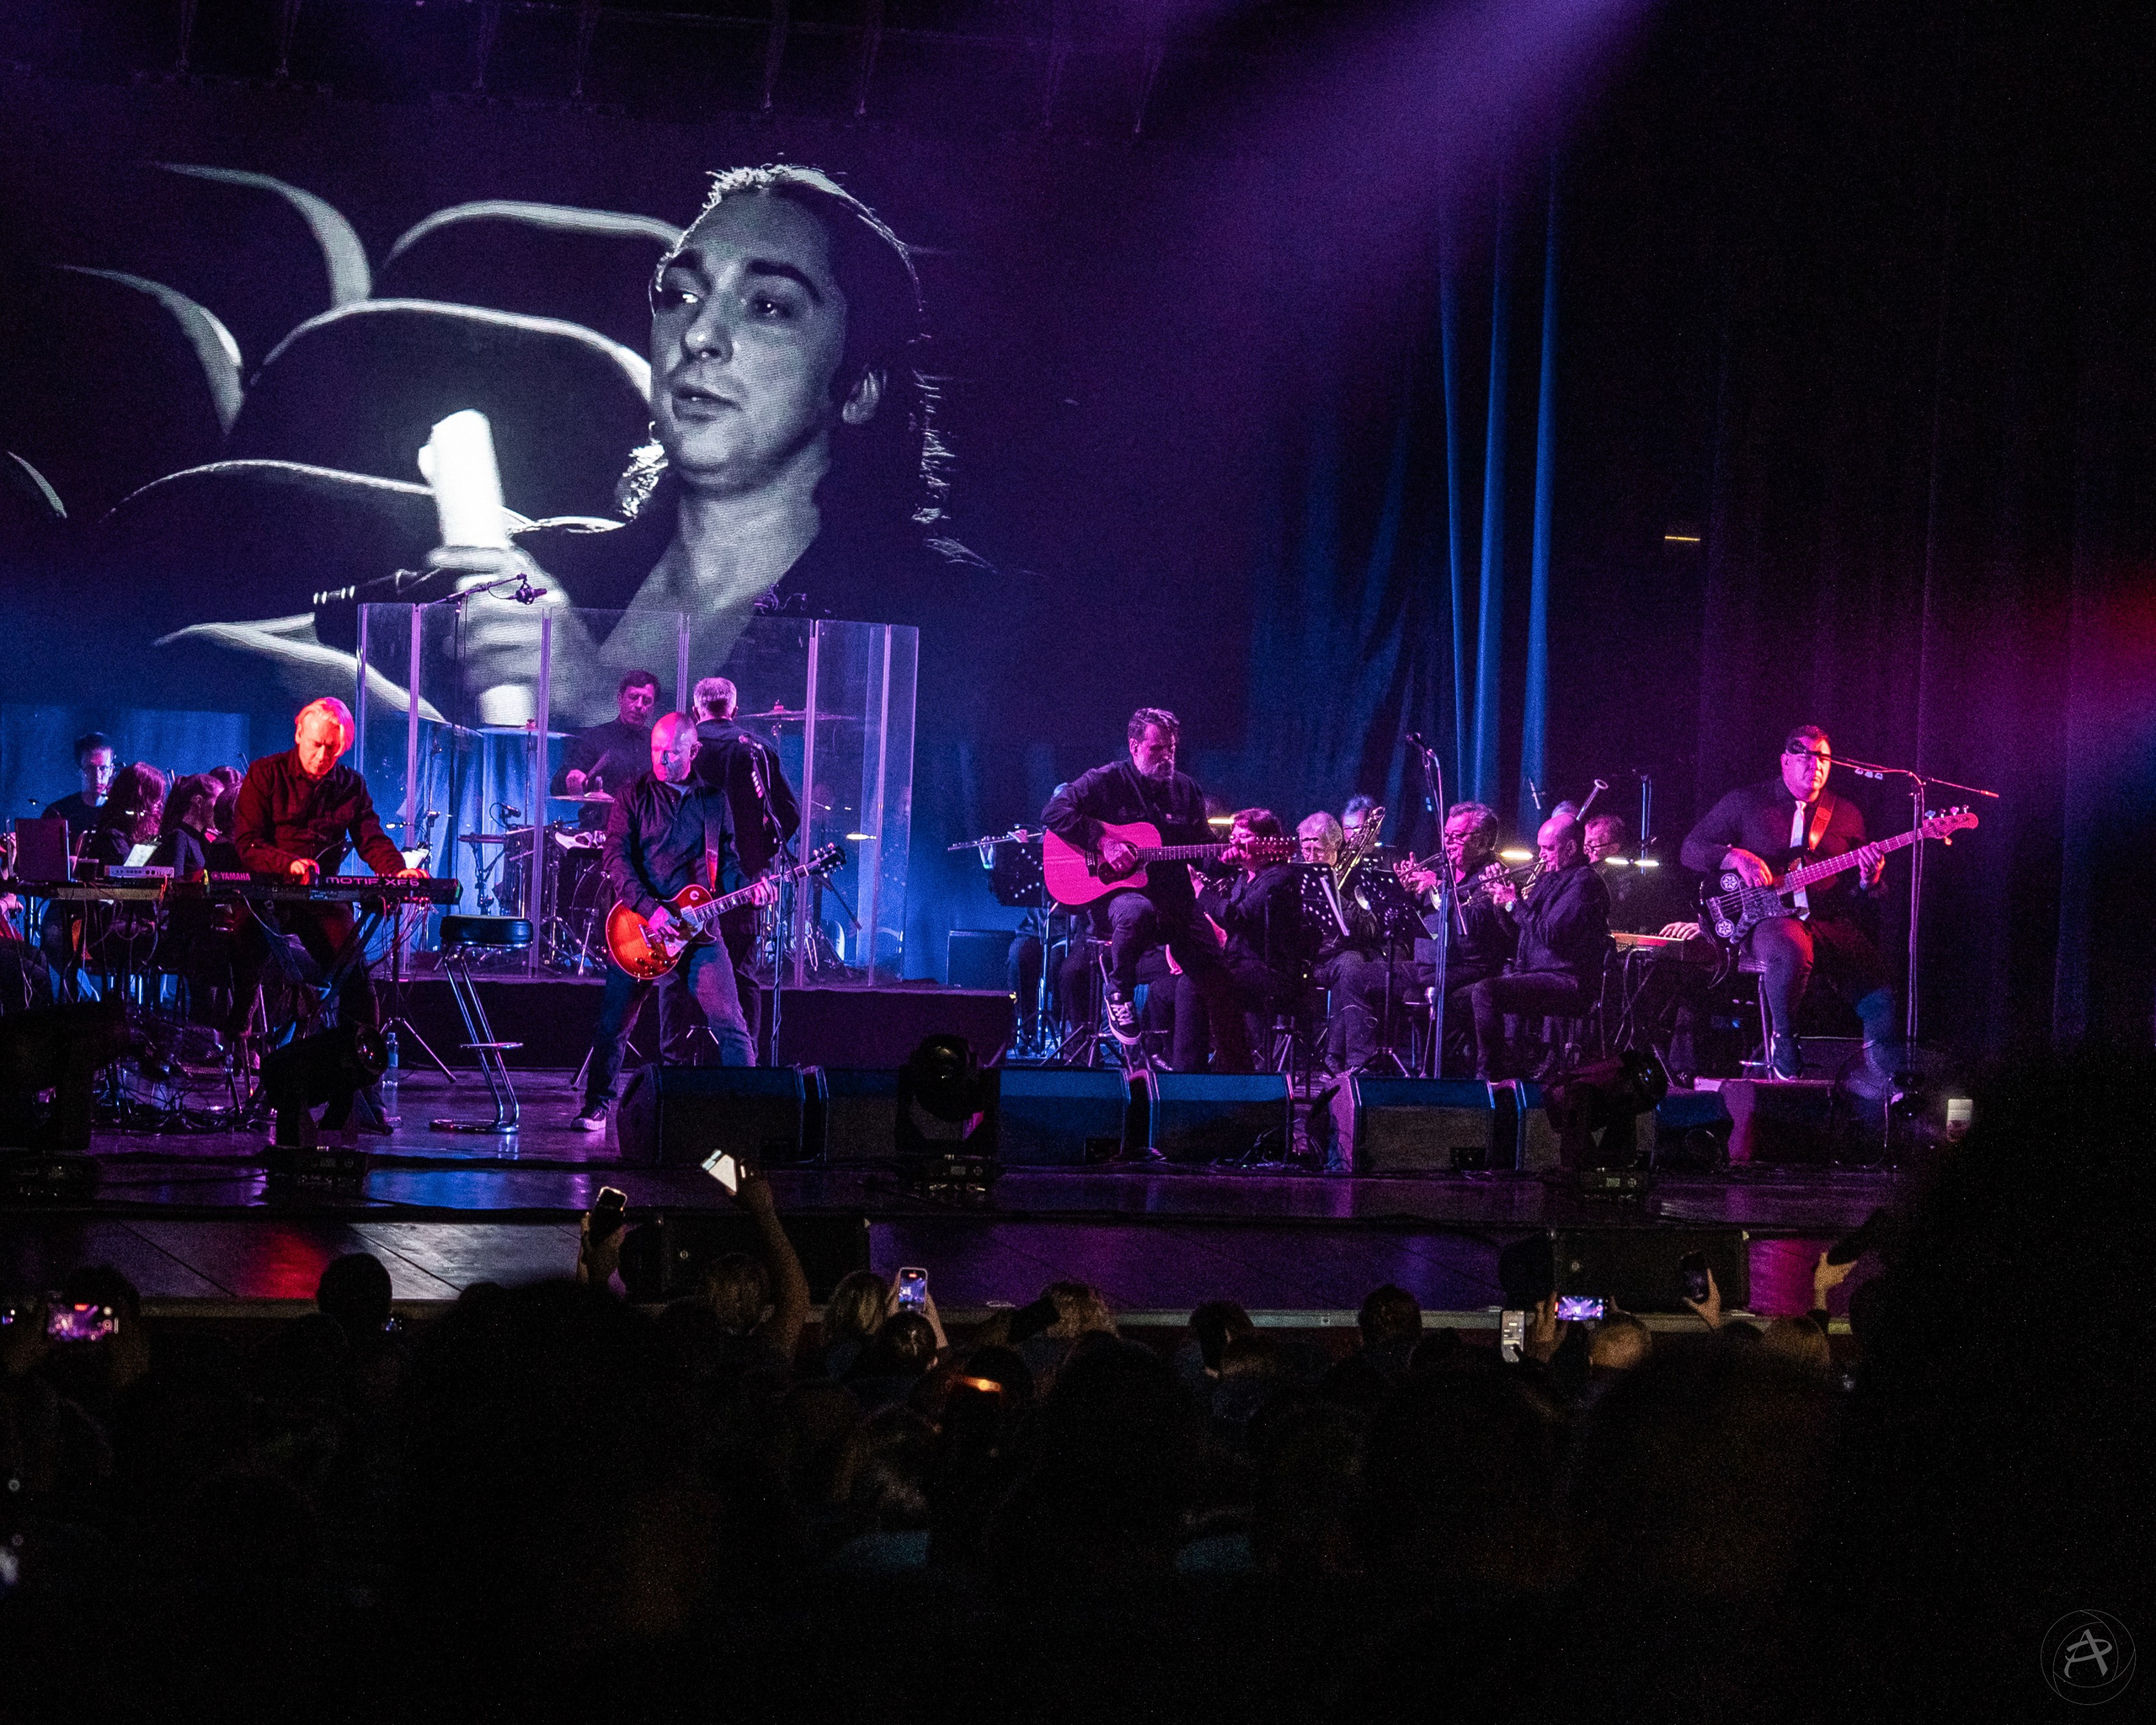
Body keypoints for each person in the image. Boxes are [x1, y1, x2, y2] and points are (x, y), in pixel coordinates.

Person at [572, 712, 778, 1130]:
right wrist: (651, 909)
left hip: (699, 931)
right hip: (639, 927)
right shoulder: (632, 795)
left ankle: (752, 1114)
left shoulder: (713, 801)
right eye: (656, 751)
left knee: (732, 1026)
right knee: (614, 1024)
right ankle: (597, 1105)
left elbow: (729, 866)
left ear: (694, 751)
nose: (661, 760)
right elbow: (615, 859)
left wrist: (752, 890)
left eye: (671, 753)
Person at [1680, 725, 1893, 1079]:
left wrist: (1869, 880)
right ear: (1784, 762)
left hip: (1825, 918)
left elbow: (1860, 894)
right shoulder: (1746, 801)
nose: (1816, 765)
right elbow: (1691, 849)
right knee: (1791, 949)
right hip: (1765, 919)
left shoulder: (1846, 814)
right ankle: (1783, 1041)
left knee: (1880, 991)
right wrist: (1736, 858)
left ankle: (1880, 1084)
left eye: (1823, 757)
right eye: (1805, 757)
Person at [1040, 708, 1248, 1069]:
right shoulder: (1105, 780)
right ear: (1134, 746)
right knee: (1137, 911)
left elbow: (1201, 850)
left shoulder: (1187, 791)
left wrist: (1227, 857)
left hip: (1176, 902)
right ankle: (1118, 989)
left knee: (1219, 982)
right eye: (1157, 750)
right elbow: (1053, 813)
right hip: (1118, 897)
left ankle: (1237, 1079)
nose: (1166, 757)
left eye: (1171, 749)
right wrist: (1103, 842)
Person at [231, 698, 424, 1049]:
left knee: (355, 981)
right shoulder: (264, 774)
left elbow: (371, 838)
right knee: (245, 956)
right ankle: (240, 1034)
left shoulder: (351, 785)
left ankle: (359, 1077)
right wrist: (287, 864)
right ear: (299, 733)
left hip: (321, 900)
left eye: (332, 750)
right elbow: (247, 843)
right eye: (316, 745)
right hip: (267, 895)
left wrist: (398, 872)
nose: (322, 756)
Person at [691, 674, 800, 1051]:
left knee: (682, 971)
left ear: (696, 709)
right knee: (742, 971)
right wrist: (759, 859)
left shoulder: (685, 747)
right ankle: (746, 1066)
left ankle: (683, 1063)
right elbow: (790, 813)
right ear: (734, 709)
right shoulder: (759, 748)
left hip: (686, 882)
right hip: (747, 879)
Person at [1465, 809, 1612, 1080]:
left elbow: (1552, 935)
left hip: (1568, 980)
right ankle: (1496, 1068)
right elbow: (1518, 933)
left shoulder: (1585, 883)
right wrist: (1501, 903)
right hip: (1534, 972)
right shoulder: (1547, 878)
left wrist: (1514, 902)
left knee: (1486, 992)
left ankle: (1490, 1077)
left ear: (1571, 847)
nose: (1542, 854)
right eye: (1540, 847)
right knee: (1463, 996)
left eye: (1549, 848)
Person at [1401, 800, 1519, 1074]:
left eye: (1458, 836)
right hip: (1425, 965)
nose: (1449, 842)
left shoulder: (1494, 875)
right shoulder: (1442, 870)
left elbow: (1475, 923)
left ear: (1484, 840)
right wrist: (1407, 892)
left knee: (1428, 994)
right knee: (1361, 976)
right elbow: (1416, 921)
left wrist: (1439, 889)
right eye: (1447, 835)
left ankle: (1434, 1075)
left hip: (1466, 968)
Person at [1198, 808, 1312, 1066]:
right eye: (1234, 835)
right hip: (1242, 965)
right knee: (1184, 984)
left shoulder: (1279, 877)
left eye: (1244, 835)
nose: (1235, 841)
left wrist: (1200, 891)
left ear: (1266, 840)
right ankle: (1198, 1066)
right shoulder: (1244, 876)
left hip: (1270, 971)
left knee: (1205, 983)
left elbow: (1236, 919)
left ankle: (1222, 1066)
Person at [551, 670, 659, 833]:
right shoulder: (595, 738)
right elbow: (556, 785)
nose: (639, 705)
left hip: (645, 837)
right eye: (633, 697)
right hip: (600, 833)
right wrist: (571, 780)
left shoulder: (657, 742)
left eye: (647, 700)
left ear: (652, 708)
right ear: (620, 699)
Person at [40, 732, 115, 844]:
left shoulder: (119, 813)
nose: (97, 776)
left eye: (103, 768)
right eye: (90, 768)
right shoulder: (57, 814)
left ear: (112, 770)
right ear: (78, 771)